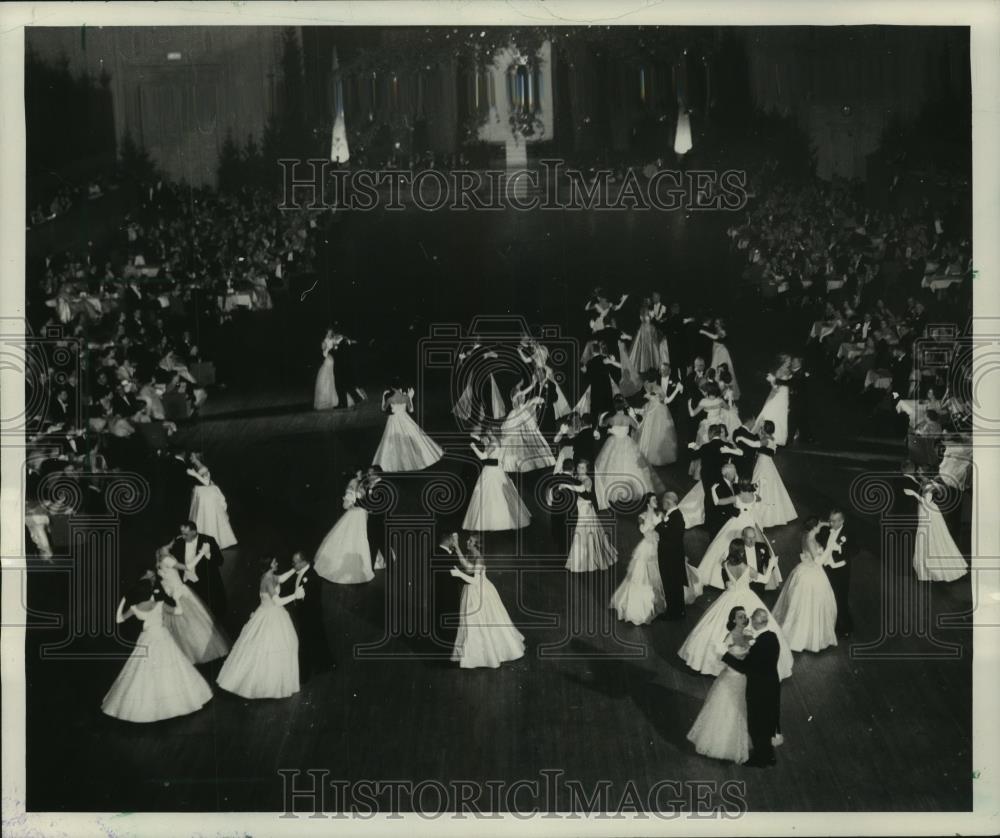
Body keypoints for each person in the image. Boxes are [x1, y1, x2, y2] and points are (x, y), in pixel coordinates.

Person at [101, 584, 213, 723]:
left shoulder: (135, 608)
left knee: (143, 670)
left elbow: (118, 619)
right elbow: (178, 611)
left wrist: (123, 600)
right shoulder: (159, 604)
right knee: (172, 666)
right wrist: (177, 599)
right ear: (150, 593)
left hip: (146, 639)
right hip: (162, 637)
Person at [680, 547, 793, 680]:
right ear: (741, 554)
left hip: (729, 596)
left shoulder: (726, 564)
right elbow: (764, 579)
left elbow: (725, 570)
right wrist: (772, 564)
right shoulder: (746, 568)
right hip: (746, 596)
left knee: (715, 624)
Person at [216, 557, 303, 699]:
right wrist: (295, 595)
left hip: (269, 612)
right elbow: (278, 601)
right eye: (275, 562)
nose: (277, 563)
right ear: (269, 565)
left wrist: (294, 569)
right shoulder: (267, 580)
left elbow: (281, 579)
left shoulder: (270, 576)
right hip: (271, 614)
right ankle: (267, 686)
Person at [686, 606, 752, 764]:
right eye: (740, 616)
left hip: (744, 679)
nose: (744, 619)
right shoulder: (729, 638)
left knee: (740, 711)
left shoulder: (748, 635)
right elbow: (723, 660)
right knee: (727, 711)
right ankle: (721, 745)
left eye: (745, 616)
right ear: (733, 620)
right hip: (731, 678)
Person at [450, 535, 525, 668]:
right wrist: (457, 549)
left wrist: (459, 574)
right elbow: (467, 565)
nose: (467, 541)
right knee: (470, 622)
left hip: (480, 592)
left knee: (478, 621)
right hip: (471, 592)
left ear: (476, 545)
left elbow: (475, 581)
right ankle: (472, 656)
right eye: (468, 540)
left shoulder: (479, 559)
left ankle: (484, 656)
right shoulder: (471, 555)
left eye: (470, 541)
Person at [722, 609, 783, 767]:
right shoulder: (772, 637)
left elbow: (745, 668)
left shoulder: (759, 645)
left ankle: (760, 759)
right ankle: (769, 755)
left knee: (757, 724)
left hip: (759, 689)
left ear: (756, 622)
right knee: (769, 722)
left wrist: (725, 655)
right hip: (772, 686)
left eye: (751, 619)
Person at [772, 518, 840, 653]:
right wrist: (831, 547)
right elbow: (818, 560)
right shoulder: (809, 539)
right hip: (812, 572)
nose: (823, 524)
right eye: (819, 523)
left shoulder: (807, 534)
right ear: (815, 526)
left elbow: (823, 523)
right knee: (811, 604)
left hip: (807, 569)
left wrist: (831, 524)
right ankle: (805, 638)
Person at [156, 549, 229, 664]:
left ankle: (191, 653)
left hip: (176, 592)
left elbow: (165, 579)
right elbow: (188, 567)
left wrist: (170, 590)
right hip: (180, 593)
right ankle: (200, 652)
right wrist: (201, 553)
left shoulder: (160, 556)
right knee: (193, 623)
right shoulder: (166, 559)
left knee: (188, 624)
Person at [593, 395, 663, 511]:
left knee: (611, 466)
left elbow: (601, 425)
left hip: (613, 443)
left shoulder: (611, 418)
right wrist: (632, 416)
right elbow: (638, 427)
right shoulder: (628, 419)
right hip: (627, 443)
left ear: (614, 406)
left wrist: (605, 420)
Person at [610, 494, 667, 625]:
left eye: (655, 499)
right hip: (647, 549)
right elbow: (643, 530)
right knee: (642, 577)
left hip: (658, 546)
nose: (656, 501)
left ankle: (659, 603)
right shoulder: (642, 517)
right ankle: (642, 610)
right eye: (653, 500)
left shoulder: (660, 514)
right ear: (647, 503)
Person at [314, 470, 376, 584]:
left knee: (361, 538)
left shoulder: (364, 484)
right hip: (355, 515)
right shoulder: (353, 483)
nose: (362, 475)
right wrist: (352, 503)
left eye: (362, 473)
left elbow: (368, 499)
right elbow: (347, 504)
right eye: (359, 473)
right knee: (350, 538)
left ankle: (365, 565)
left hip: (362, 515)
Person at [283, 551, 336, 680]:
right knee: (317, 639)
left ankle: (304, 675)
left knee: (306, 644)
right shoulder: (304, 573)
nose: (292, 565)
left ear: (303, 562)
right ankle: (325, 665)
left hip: (310, 616)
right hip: (308, 615)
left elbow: (308, 599)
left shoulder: (311, 578)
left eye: (294, 562)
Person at [462, 432, 531, 531]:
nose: (486, 433)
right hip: (498, 470)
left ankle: (492, 521)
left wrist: (473, 447)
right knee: (501, 495)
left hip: (491, 471)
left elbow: (483, 457)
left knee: (489, 495)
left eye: (487, 431)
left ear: (490, 432)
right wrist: (475, 437)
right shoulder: (500, 440)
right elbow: (483, 440)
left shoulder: (493, 443)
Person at [903, 480, 969, 582]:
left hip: (928, 516)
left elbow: (926, 504)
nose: (919, 471)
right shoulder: (927, 483)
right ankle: (928, 571)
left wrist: (914, 494)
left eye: (920, 470)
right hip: (928, 514)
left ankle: (933, 571)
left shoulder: (929, 485)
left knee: (931, 540)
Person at [372, 382, 444, 472]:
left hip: (393, 420)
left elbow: (383, 409)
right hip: (405, 418)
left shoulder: (390, 399)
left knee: (393, 441)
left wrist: (383, 397)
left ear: (392, 388)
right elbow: (411, 410)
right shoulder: (405, 397)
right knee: (414, 436)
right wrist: (410, 397)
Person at [564, 460, 618, 572]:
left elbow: (581, 489)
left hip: (585, 508)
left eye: (583, 468)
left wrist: (565, 485)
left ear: (586, 470)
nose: (580, 470)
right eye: (579, 467)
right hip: (578, 506)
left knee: (583, 531)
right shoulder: (575, 476)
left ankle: (582, 560)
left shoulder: (587, 480)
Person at [167, 521, 228, 620]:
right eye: (181, 533)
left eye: (185, 534)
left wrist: (208, 555)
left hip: (206, 583)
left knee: (213, 611)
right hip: (187, 583)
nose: (182, 537)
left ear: (194, 532)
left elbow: (220, 561)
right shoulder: (178, 542)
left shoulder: (208, 540)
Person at [186, 451, 237, 551]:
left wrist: (194, 474)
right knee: (200, 518)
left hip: (206, 497)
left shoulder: (203, 468)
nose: (190, 457)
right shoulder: (196, 468)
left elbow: (206, 482)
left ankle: (213, 542)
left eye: (191, 455)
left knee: (208, 518)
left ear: (197, 456)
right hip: (201, 495)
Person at [752, 421, 797, 528]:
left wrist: (741, 439)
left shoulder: (765, 440)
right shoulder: (771, 439)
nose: (760, 429)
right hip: (766, 463)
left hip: (763, 464)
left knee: (762, 485)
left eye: (762, 428)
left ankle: (762, 517)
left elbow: (755, 444)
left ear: (765, 429)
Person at [819, 509, 854, 635]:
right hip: (827, 569)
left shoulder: (848, 533)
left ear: (841, 521)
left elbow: (855, 550)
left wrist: (840, 548)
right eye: (830, 520)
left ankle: (846, 628)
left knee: (841, 599)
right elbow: (820, 540)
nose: (830, 524)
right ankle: (832, 625)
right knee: (829, 597)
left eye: (833, 521)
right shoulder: (827, 531)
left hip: (841, 572)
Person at [655, 491, 688, 620]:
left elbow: (672, 536)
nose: (662, 503)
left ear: (669, 503)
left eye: (663, 501)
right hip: (672, 557)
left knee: (672, 585)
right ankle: (677, 611)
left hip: (671, 558)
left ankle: (674, 613)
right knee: (673, 585)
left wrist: (659, 526)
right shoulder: (673, 515)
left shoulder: (676, 517)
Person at [636, 375, 681, 466]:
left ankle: (647, 454)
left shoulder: (647, 385)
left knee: (651, 432)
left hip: (653, 410)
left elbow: (659, 399)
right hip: (656, 410)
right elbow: (667, 400)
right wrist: (677, 390)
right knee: (656, 432)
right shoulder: (656, 387)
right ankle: (651, 455)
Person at [754, 355, 791, 446]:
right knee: (772, 413)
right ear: (783, 361)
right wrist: (773, 383)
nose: (789, 362)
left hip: (785, 396)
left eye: (790, 361)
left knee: (782, 415)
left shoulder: (789, 371)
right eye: (788, 361)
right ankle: (768, 434)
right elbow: (776, 387)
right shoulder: (779, 372)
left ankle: (779, 437)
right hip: (779, 395)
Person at [546, 457, 579, 556]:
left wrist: (550, 503)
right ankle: (566, 552)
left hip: (556, 509)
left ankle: (560, 548)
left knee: (557, 529)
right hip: (570, 511)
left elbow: (549, 491)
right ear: (573, 468)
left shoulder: (554, 477)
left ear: (562, 467)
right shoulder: (575, 481)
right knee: (568, 532)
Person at [313, 328, 339, 410]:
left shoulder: (333, 340)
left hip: (333, 360)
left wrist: (335, 346)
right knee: (326, 379)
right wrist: (328, 351)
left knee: (332, 378)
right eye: (329, 332)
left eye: (331, 332)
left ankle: (333, 400)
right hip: (328, 360)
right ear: (326, 333)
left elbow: (336, 349)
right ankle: (326, 400)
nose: (330, 334)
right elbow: (324, 352)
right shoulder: (325, 341)